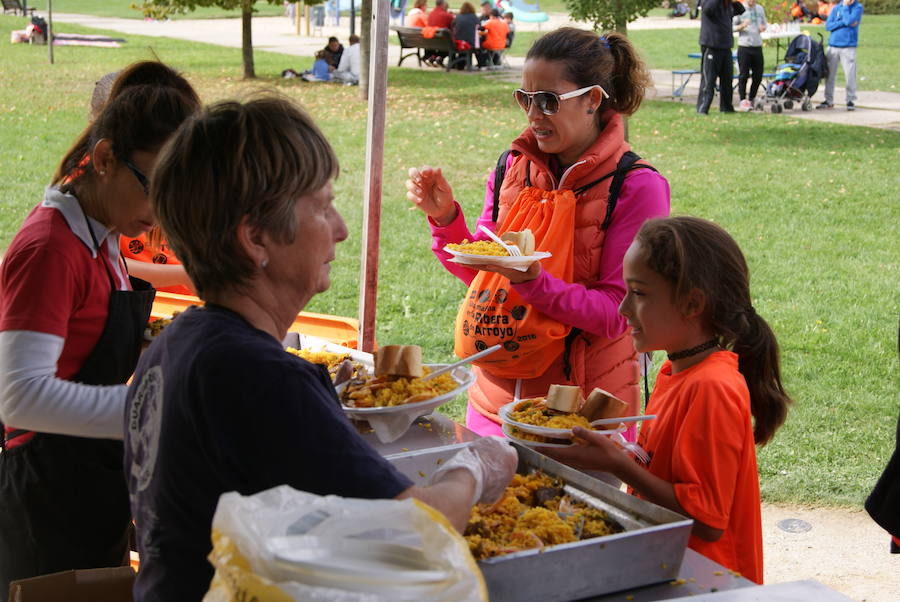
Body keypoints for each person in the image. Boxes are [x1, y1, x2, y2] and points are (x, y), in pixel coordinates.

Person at [125, 95, 518, 601]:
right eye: (323, 207)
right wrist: (474, 468)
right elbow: (420, 530)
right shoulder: (260, 377)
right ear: (256, 237)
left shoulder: (175, 343)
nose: (342, 229)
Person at [406, 28, 670, 439]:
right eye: (524, 98)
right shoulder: (513, 165)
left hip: (578, 416)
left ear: (592, 100)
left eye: (548, 101)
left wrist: (533, 283)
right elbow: (485, 278)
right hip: (492, 404)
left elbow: (618, 313)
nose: (533, 114)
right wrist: (445, 221)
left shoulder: (637, 186)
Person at [0, 61, 200, 599]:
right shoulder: (48, 248)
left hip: (90, 482)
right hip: (45, 500)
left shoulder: (103, 233)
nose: (160, 216)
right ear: (106, 157)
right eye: (154, 188)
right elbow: (17, 397)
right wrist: (150, 414)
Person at [543, 216, 793, 585]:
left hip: (707, 582)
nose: (623, 308)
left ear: (692, 303)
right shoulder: (676, 370)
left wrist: (617, 464)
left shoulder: (712, 387)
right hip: (668, 567)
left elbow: (707, 522)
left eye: (639, 293)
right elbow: (664, 469)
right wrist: (615, 450)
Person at [89, 71, 196, 295]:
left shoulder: (167, 169)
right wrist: (184, 275)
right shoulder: (91, 196)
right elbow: (101, 263)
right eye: (150, 188)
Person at [697, 0, 745, 114]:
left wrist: (733, 2)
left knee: (727, 80)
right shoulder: (710, 2)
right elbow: (708, 10)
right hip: (711, 45)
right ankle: (703, 108)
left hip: (726, 46)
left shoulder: (727, 4)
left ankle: (726, 107)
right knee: (709, 80)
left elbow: (741, 10)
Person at [817, 0, 863, 111]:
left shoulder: (857, 7)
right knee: (829, 75)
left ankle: (850, 100)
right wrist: (842, 22)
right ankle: (828, 100)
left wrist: (846, 9)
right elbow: (828, 26)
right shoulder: (836, 8)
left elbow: (849, 20)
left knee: (850, 74)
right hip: (833, 45)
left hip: (848, 46)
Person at [733, 0, 767, 111]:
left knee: (758, 75)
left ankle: (752, 97)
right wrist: (742, 25)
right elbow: (732, 27)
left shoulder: (760, 9)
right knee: (744, 75)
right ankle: (743, 100)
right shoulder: (739, 9)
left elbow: (764, 23)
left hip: (757, 45)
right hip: (744, 46)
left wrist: (763, 27)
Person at [452, 2, 481, 68]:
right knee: (479, 42)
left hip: (458, 43)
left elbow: (452, 25)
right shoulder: (474, 17)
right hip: (470, 43)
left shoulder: (458, 17)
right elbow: (479, 27)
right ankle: (481, 63)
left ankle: (459, 64)